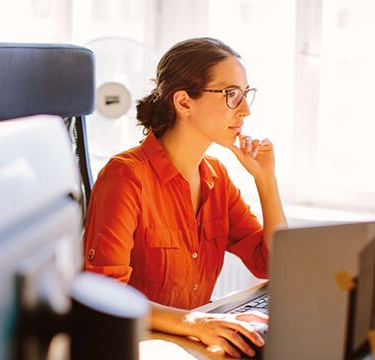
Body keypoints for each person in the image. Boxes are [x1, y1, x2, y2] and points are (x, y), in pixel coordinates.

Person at [83, 37, 287, 358]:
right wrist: (193, 321)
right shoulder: (125, 177)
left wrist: (266, 179)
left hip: (189, 346)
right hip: (136, 348)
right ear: (184, 103)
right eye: (232, 95)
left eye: (246, 95)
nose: (245, 110)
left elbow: (272, 264)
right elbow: (105, 296)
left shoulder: (216, 177)